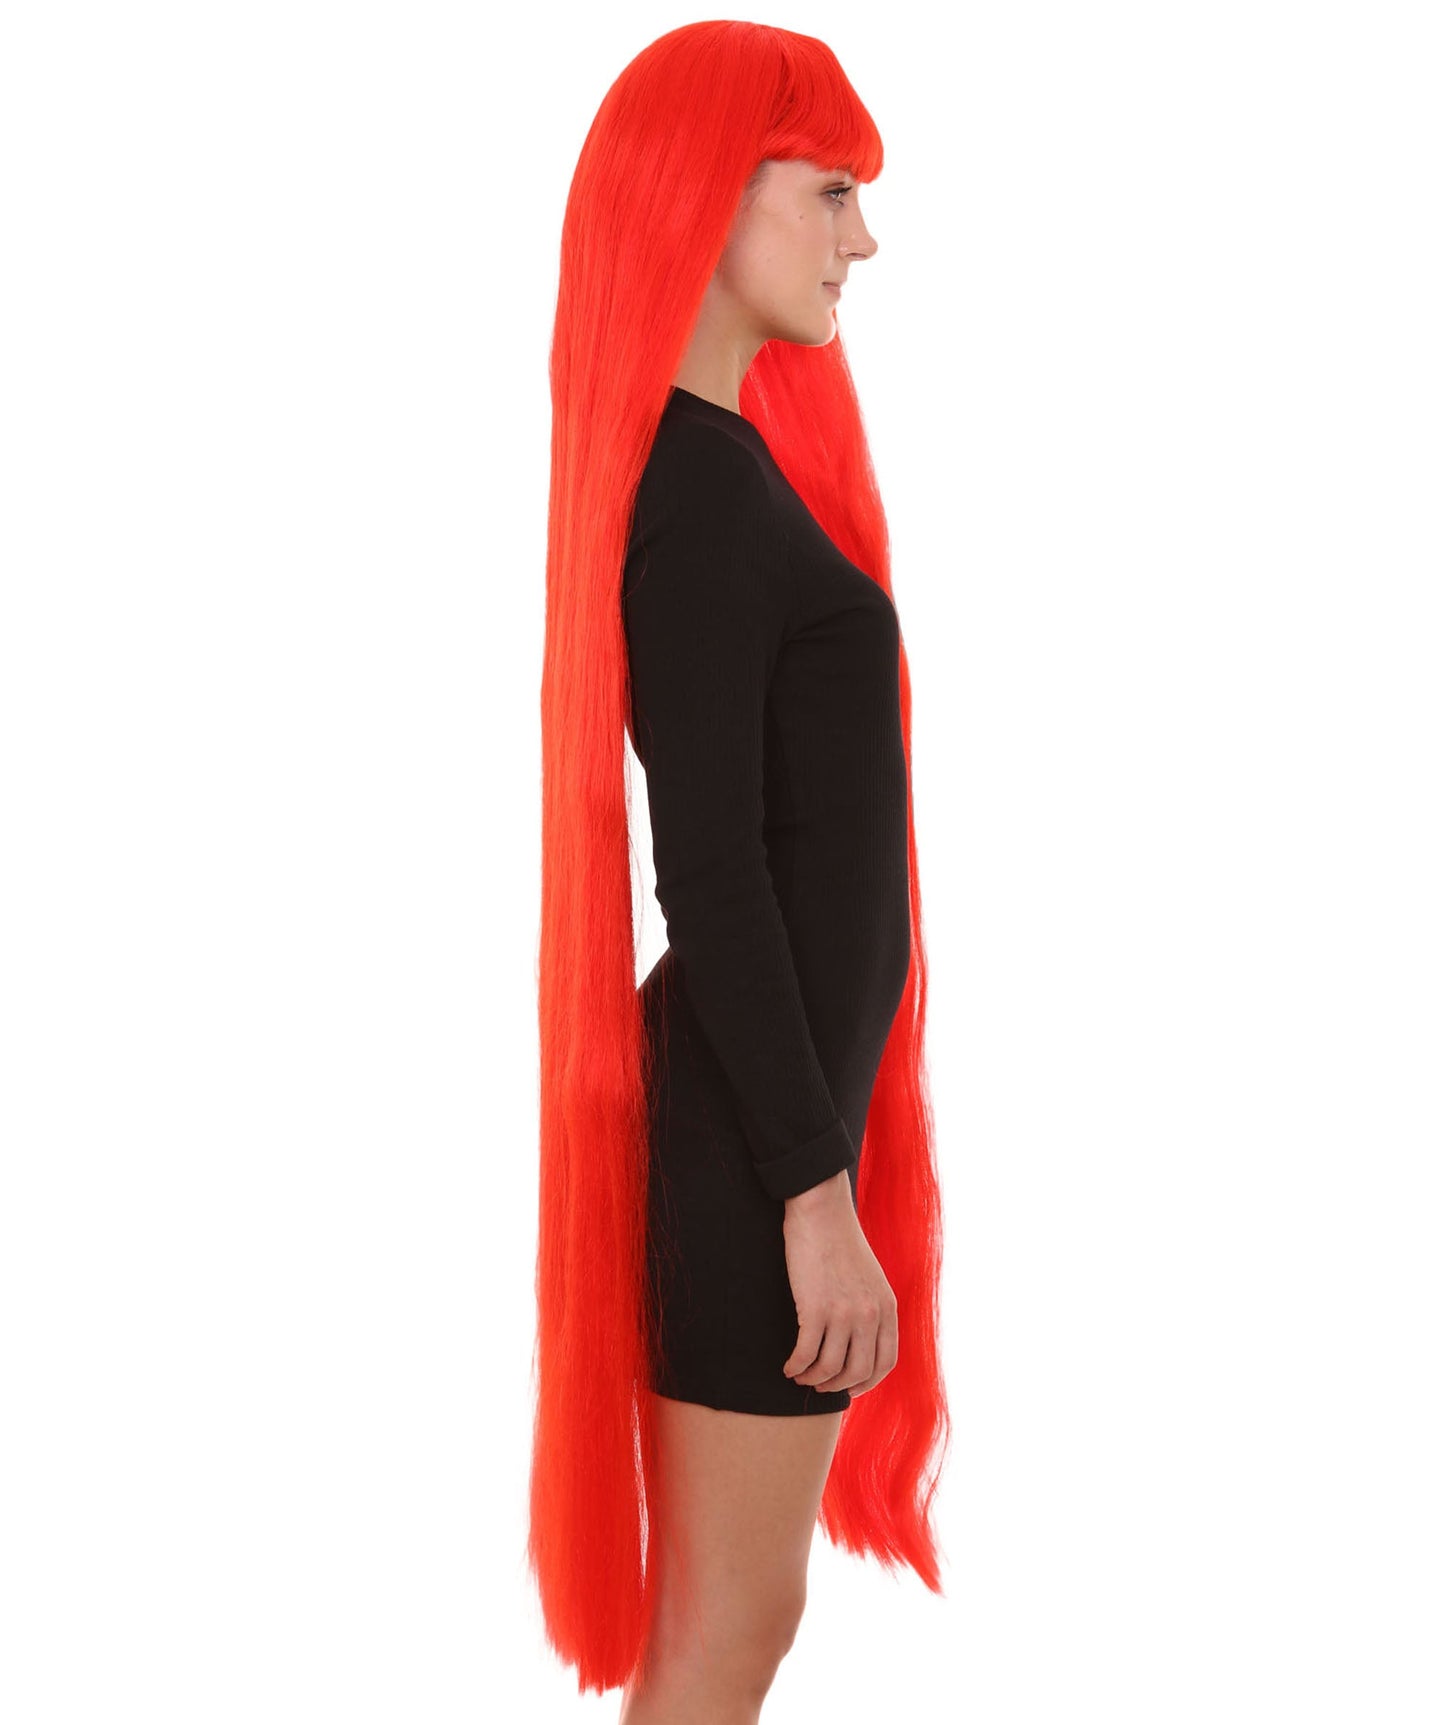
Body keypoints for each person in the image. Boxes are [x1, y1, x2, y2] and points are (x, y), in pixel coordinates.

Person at [529, 24, 951, 1717]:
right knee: (725, 1632)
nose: (864, 238)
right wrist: (811, 1192)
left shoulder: (722, 466)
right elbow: (710, 873)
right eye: (831, 192)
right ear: (708, 195)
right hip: (748, 1148)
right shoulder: (695, 499)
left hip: (756, 1129)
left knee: (731, 1626)